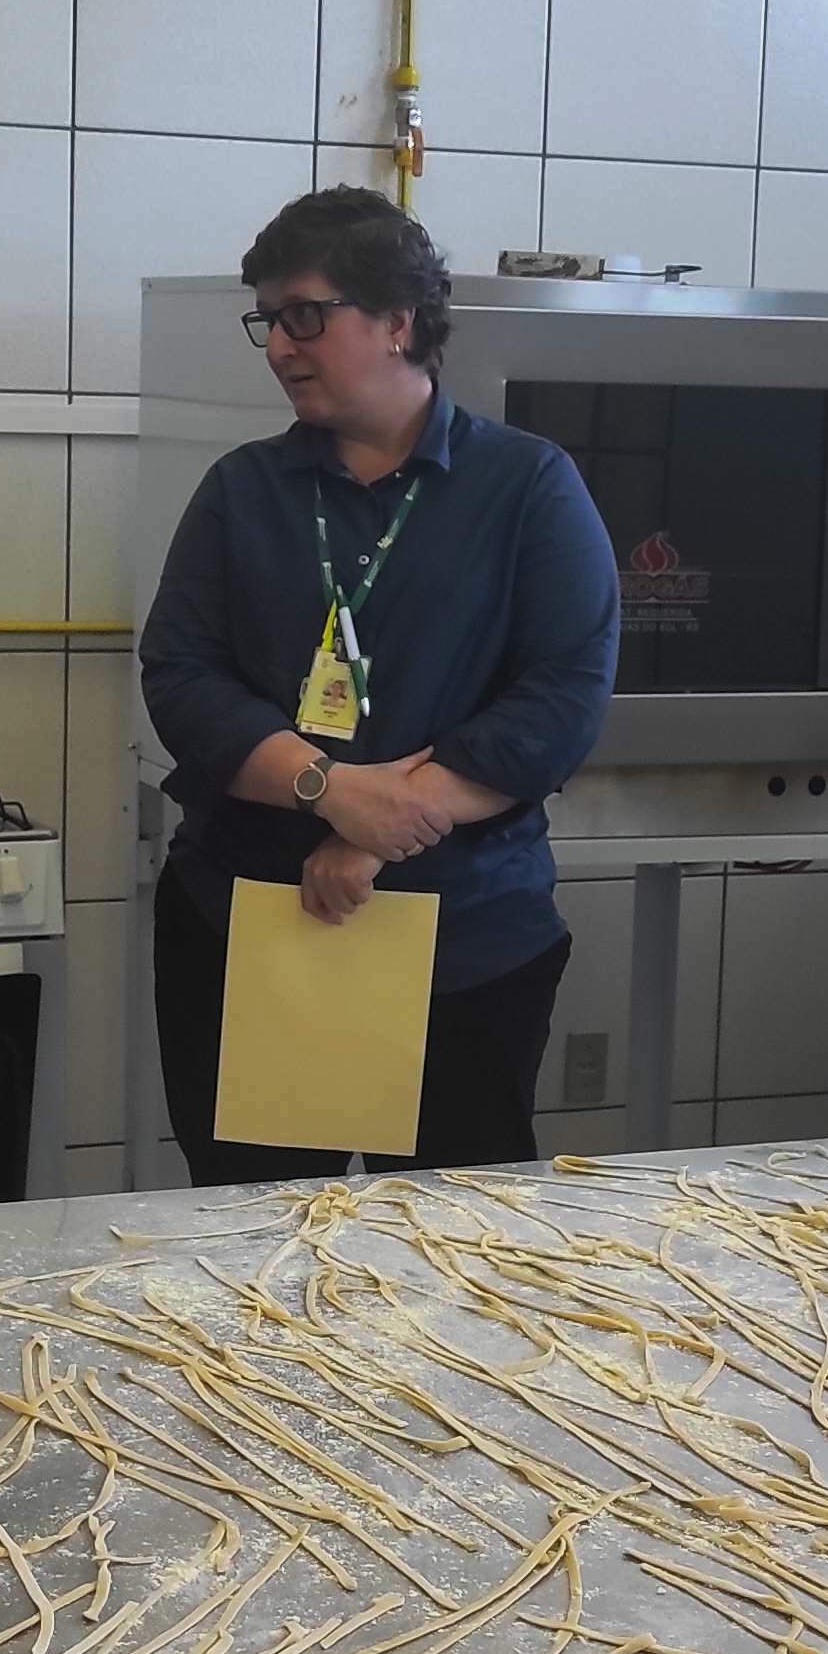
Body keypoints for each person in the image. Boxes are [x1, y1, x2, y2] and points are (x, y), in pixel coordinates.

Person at [139, 185, 619, 1181]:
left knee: (450, 1236)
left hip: (465, 941)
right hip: (255, 925)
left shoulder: (526, 486)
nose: (280, 345)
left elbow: (562, 696)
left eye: (305, 315)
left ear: (399, 320)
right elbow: (180, 675)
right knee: (260, 1228)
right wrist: (328, 789)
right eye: (268, 320)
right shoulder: (242, 490)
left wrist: (381, 826)